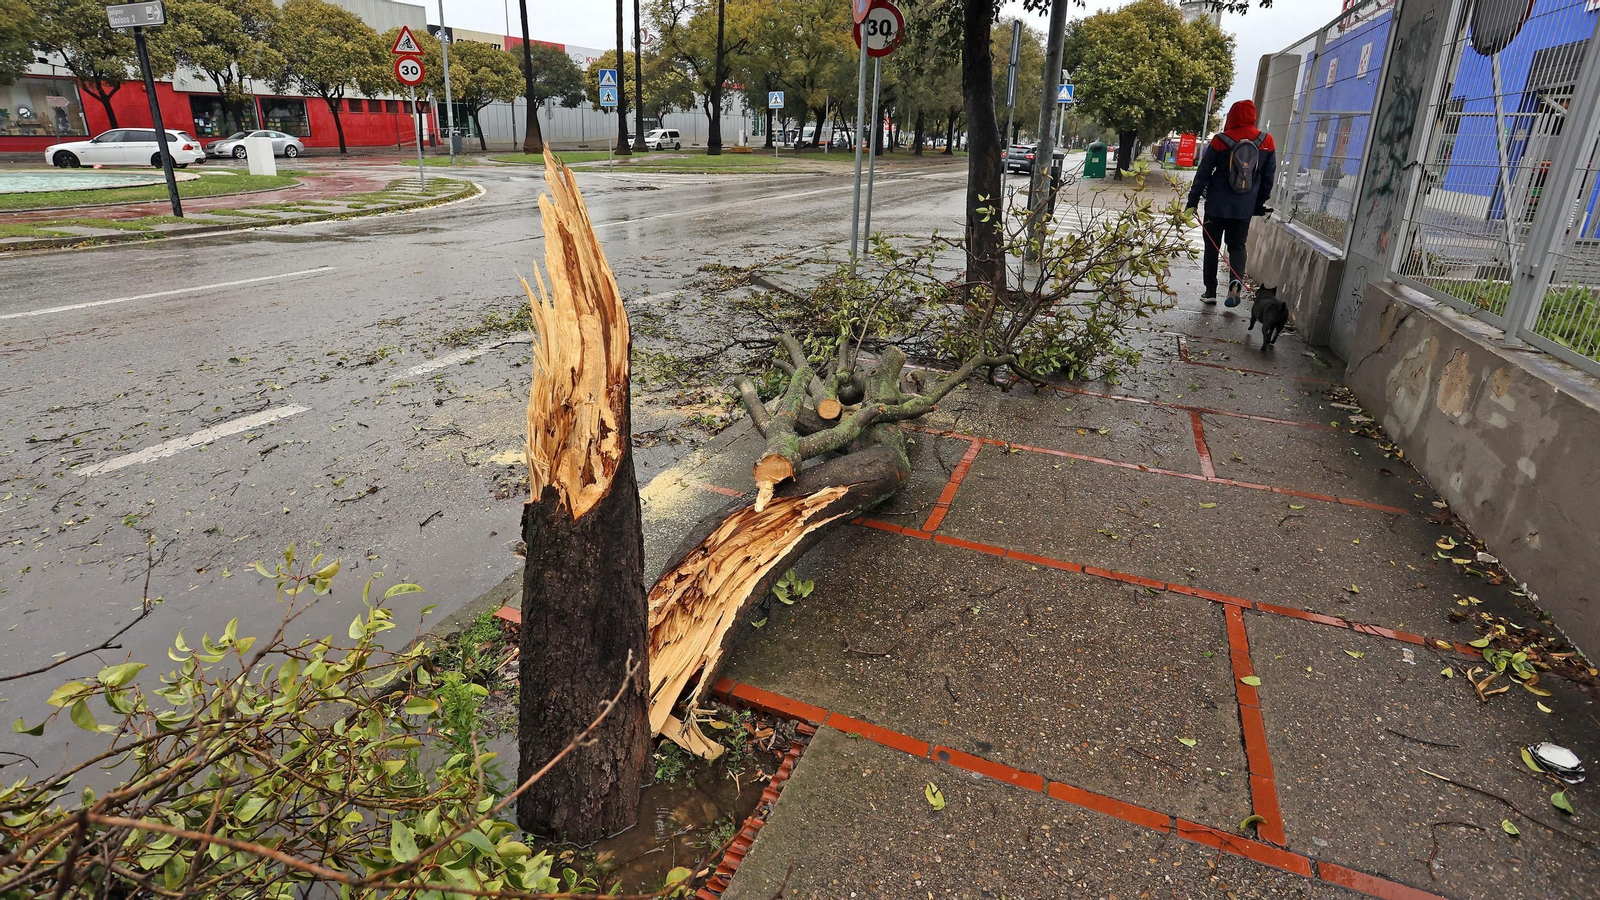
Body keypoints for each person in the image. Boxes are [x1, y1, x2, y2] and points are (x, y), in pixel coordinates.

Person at [1186, 99, 1277, 307]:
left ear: (1232, 116)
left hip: (1216, 206)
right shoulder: (1266, 141)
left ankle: (1210, 291)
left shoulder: (1220, 140)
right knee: (1237, 245)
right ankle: (1236, 281)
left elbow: (1203, 174)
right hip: (1244, 206)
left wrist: (1192, 201)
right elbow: (1268, 177)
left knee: (1212, 247)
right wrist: (1258, 203)